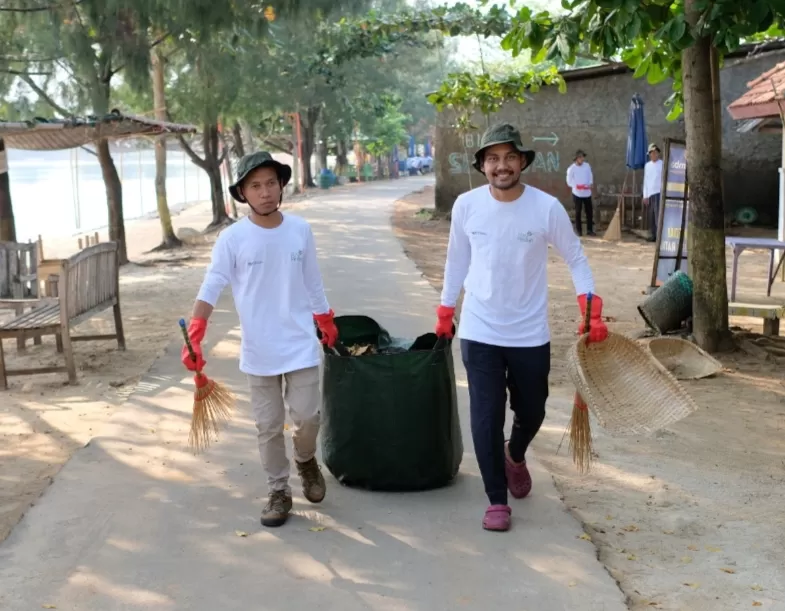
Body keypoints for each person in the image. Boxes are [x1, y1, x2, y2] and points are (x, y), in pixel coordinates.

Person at [433, 123, 609, 532]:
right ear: (482, 166)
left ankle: (516, 452)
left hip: (530, 332)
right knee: (485, 415)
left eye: (509, 157)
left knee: (532, 409)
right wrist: (445, 310)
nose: (501, 166)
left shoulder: (545, 208)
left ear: (522, 161)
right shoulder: (466, 206)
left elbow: (576, 258)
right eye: (492, 159)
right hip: (479, 329)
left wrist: (590, 304)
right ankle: (496, 499)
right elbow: (456, 261)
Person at [180, 151, 339, 528]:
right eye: (256, 185)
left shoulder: (300, 229)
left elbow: (312, 281)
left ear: (281, 186)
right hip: (259, 350)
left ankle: (305, 459)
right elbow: (213, 283)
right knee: (268, 426)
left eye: (271, 183)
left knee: (307, 417)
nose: (265, 192)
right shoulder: (232, 238)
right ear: (243, 193)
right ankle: (278, 490)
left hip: (299, 343)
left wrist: (326, 318)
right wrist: (198, 330)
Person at [566, 149, 596, 237]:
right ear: (577, 158)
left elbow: (590, 175)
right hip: (577, 193)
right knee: (578, 212)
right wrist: (576, 186)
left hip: (587, 193)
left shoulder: (587, 166)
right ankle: (579, 231)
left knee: (589, 212)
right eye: (581, 157)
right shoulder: (571, 169)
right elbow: (569, 181)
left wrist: (590, 183)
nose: (582, 159)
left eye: (583, 157)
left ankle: (590, 230)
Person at [643, 143, 663, 243]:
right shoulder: (647, 166)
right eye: (652, 153)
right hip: (650, 193)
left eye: (655, 153)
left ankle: (659, 236)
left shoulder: (662, 164)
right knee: (651, 216)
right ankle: (653, 235)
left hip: (659, 192)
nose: (654, 155)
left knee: (658, 216)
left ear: (658, 154)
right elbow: (646, 181)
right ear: (649, 154)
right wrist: (645, 195)